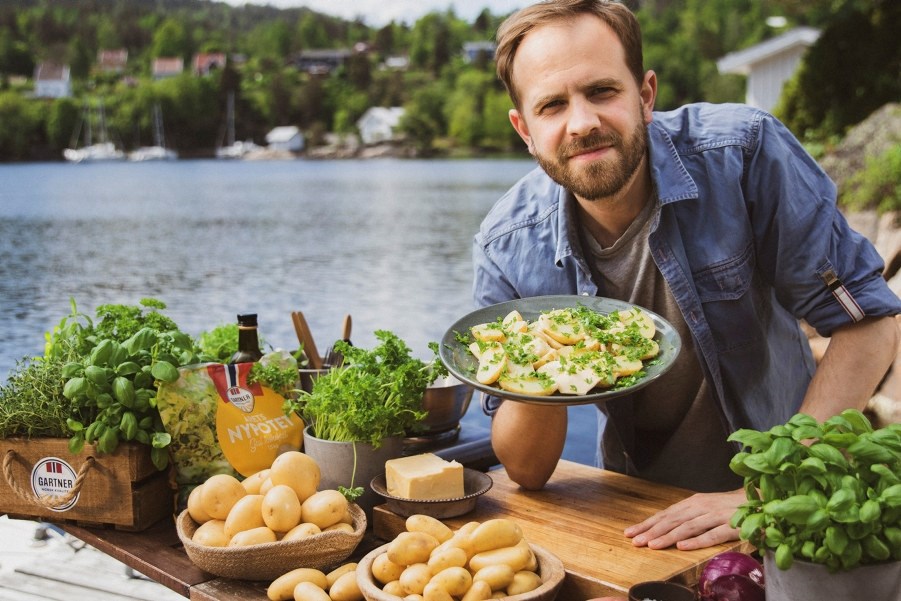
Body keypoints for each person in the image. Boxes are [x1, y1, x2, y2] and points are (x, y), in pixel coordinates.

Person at [473, 0, 901, 553]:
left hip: (793, 501)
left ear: (645, 95)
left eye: (602, 91)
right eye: (552, 105)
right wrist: (534, 353)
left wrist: (770, 490)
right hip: (640, 517)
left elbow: (868, 323)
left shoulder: (745, 153)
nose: (582, 123)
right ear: (524, 130)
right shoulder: (507, 244)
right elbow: (527, 472)